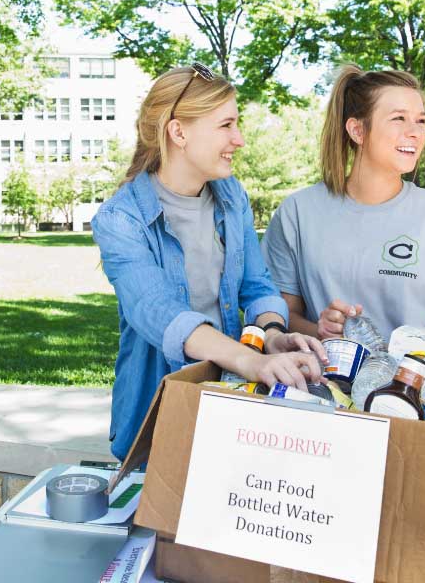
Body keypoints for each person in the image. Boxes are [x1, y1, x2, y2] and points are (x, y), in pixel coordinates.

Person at [92, 64, 326, 461]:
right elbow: (161, 314)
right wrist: (251, 360)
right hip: (157, 415)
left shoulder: (231, 196)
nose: (239, 139)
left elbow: (257, 285)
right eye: (226, 125)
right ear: (178, 132)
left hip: (230, 404)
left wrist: (271, 335)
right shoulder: (119, 220)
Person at [261, 65, 425, 366]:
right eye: (398, 119)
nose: (415, 132)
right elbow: (282, 317)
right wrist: (321, 331)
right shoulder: (297, 213)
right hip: (323, 392)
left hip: (414, 398)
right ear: (357, 130)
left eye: (420, 121)